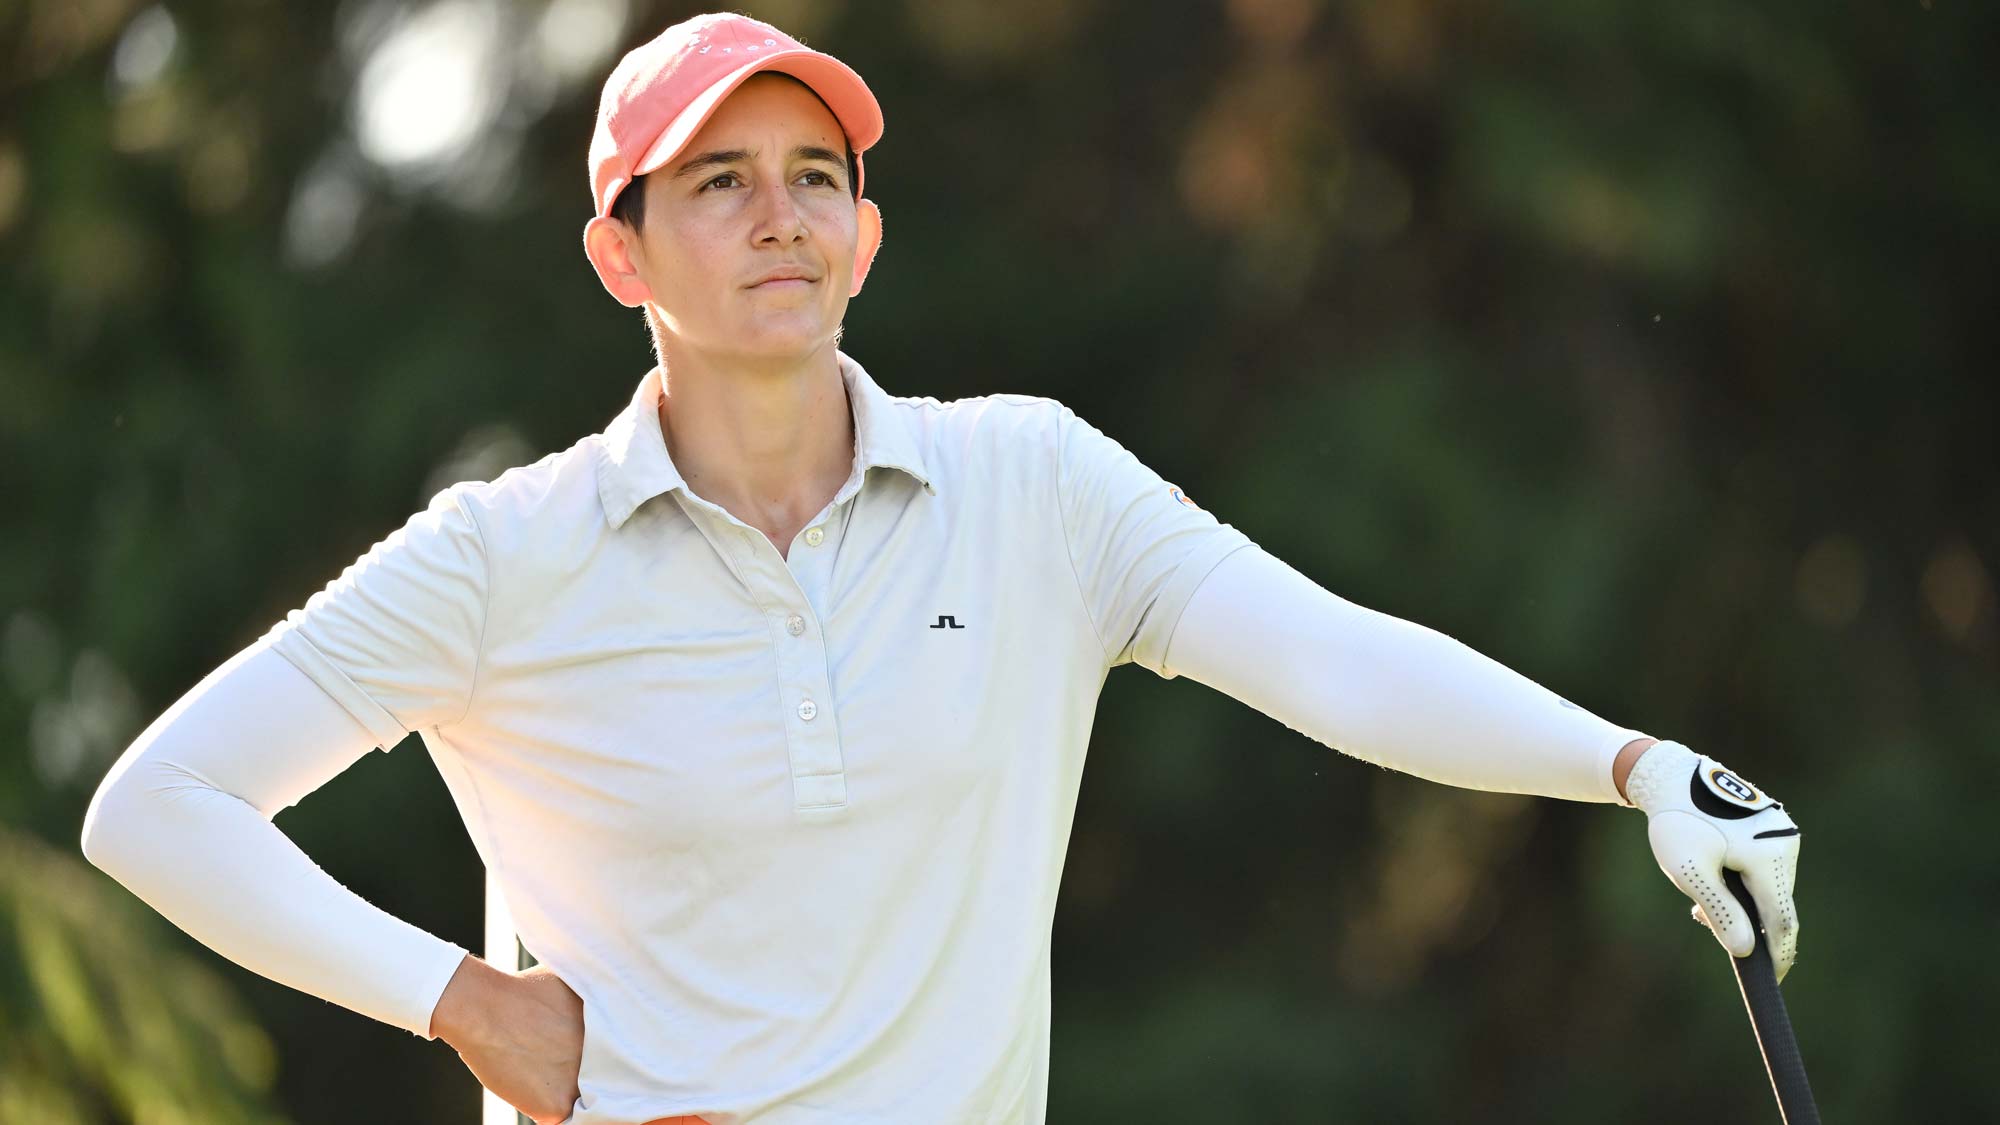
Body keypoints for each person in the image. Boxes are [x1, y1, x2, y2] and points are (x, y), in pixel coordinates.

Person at [79, 12, 1803, 1125]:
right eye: (720, 181)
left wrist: (1631, 765)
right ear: (619, 255)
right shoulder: (500, 555)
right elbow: (158, 808)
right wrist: (458, 1002)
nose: (781, 216)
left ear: (867, 235)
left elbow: (1332, 656)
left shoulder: (1030, 481)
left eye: (815, 177)